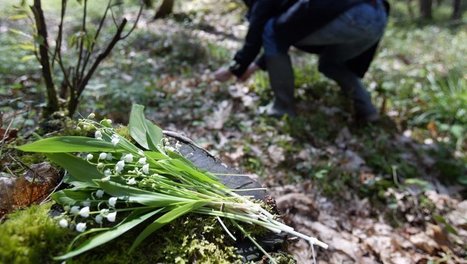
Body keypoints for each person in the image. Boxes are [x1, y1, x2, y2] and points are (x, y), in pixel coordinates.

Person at [214, 0, 390, 121]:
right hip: (377, 15)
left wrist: (234, 68)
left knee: (271, 29)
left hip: (351, 14)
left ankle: (283, 108)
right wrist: (253, 67)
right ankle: (367, 110)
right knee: (330, 64)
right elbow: (288, 33)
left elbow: (260, 33)